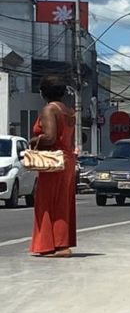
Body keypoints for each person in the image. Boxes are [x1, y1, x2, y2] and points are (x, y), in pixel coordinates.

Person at [29, 75, 77, 257]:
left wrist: (33, 140)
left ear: (43, 93)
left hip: (53, 160)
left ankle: (55, 244)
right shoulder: (69, 111)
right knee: (62, 202)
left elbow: (50, 137)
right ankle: (61, 242)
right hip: (66, 159)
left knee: (47, 202)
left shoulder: (50, 109)